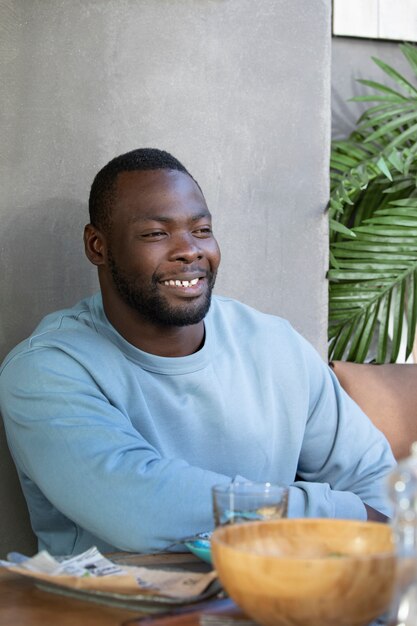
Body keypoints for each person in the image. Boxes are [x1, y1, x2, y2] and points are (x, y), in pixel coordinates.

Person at [0, 148, 395, 557]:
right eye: (156, 233)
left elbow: (378, 487)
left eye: (201, 230)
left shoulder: (275, 345)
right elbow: (141, 508)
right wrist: (334, 515)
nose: (189, 250)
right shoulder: (45, 370)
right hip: (114, 611)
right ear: (97, 246)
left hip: (277, 599)